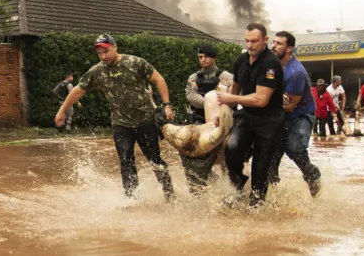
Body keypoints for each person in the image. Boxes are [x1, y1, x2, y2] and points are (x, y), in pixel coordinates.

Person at [54, 34, 175, 201]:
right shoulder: (97, 72)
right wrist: (62, 110)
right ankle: (132, 199)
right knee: (126, 161)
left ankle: (170, 195)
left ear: (115, 47)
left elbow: (158, 79)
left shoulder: (135, 63)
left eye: (107, 51)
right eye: (100, 53)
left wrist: (167, 105)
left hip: (145, 120)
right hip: (120, 124)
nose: (104, 56)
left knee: (154, 159)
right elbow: (77, 91)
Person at [216, 23, 284, 208]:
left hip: (269, 121)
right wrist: (225, 111)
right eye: (247, 40)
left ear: (265, 40)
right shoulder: (241, 61)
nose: (250, 45)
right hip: (246, 115)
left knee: (260, 168)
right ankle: (238, 183)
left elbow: (261, 99)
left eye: (254, 41)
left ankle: (256, 208)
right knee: (232, 148)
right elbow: (236, 86)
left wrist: (232, 97)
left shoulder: (271, 64)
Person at [268, 31, 322, 198]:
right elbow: (267, 86)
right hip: (278, 113)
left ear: (289, 49)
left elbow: (290, 106)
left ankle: (312, 176)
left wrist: (270, 99)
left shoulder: (295, 73)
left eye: (279, 44)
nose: (274, 46)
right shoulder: (271, 66)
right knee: (271, 154)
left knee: (295, 147)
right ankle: (271, 195)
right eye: (274, 42)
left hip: (301, 115)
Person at [181, 45, 234, 194]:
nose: (203, 60)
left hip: (222, 121)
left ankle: (229, 184)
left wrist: (216, 104)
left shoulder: (226, 77)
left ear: (214, 58)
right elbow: (190, 95)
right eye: (200, 57)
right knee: (193, 151)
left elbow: (232, 95)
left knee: (226, 153)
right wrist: (208, 101)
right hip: (200, 122)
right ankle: (204, 185)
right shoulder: (194, 78)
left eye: (206, 56)